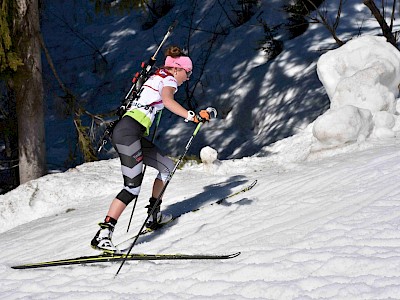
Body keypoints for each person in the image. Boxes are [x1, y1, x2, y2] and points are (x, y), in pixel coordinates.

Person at [91, 46, 211, 252]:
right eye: (187, 72)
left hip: (132, 133)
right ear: (176, 69)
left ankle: (154, 215)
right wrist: (191, 116)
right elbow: (167, 100)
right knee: (132, 187)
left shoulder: (157, 75)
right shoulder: (169, 79)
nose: (188, 77)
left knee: (167, 167)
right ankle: (103, 234)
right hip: (127, 133)